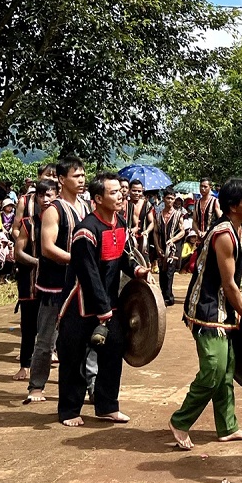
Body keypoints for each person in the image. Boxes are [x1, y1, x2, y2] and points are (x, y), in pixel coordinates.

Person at [169, 178, 242, 449]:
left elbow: (234, 270)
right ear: (233, 205)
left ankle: (227, 427)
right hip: (206, 309)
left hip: (223, 309)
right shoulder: (224, 234)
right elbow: (228, 285)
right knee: (214, 369)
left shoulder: (237, 229)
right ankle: (180, 421)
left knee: (227, 370)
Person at [56, 172, 153, 427]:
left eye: (120, 192)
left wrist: (136, 270)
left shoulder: (119, 223)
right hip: (80, 304)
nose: (120, 195)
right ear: (98, 198)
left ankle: (107, 406)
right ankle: (69, 410)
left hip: (107, 302)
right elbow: (88, 276)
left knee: (114, 348)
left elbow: (122, 256)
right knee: (73, 357)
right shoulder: (85, 232)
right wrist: (103, 310)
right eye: (113, 192)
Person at [26, 156, 90, 405]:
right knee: (45, 339)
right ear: (62, 180)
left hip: (78, 284)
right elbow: (47, 248)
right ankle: (37, 386)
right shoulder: (54, 209)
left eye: (83, 175)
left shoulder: (85, 206)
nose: (82, 180)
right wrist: (77, 259)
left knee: (82, 339)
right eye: (76, 176)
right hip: (54, 285)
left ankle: (85, 387)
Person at [13, 179, 58, 381]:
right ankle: (25, 365)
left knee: (54, 325)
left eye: (50, 195)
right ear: (37, 198)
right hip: (30, 282)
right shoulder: (28, 223)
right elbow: (18, 253)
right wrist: (37, 262)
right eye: (42, 195)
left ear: (56, 196)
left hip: (53, 284)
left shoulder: (61, 222)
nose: (46, 199)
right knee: (29, 325)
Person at [155, 187, 185, 306]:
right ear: (164, 199)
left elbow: (182, 231)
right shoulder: (158, 215)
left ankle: (168, 297)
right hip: (161, 247)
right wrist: (157, 247)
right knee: (162, 272)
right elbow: (155, 232)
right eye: (168, 198)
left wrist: (173, 240)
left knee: (169, 272)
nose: (170, 201)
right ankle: (164, 295)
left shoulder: (179, 214)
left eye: (172, 198)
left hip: (172, 249)